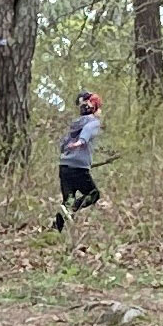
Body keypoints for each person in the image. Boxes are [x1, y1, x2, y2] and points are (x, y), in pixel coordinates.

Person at [54, 91, 104, 229]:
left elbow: (63, 143)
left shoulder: (75, 124)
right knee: (93, 194)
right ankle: (72, 209)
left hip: (64, 166)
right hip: (79, 168)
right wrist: (81, 141)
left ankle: (54, 230)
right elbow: (87, 131)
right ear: (94, 107)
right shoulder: (93, 122)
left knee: (68, 201)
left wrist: (66, 151)